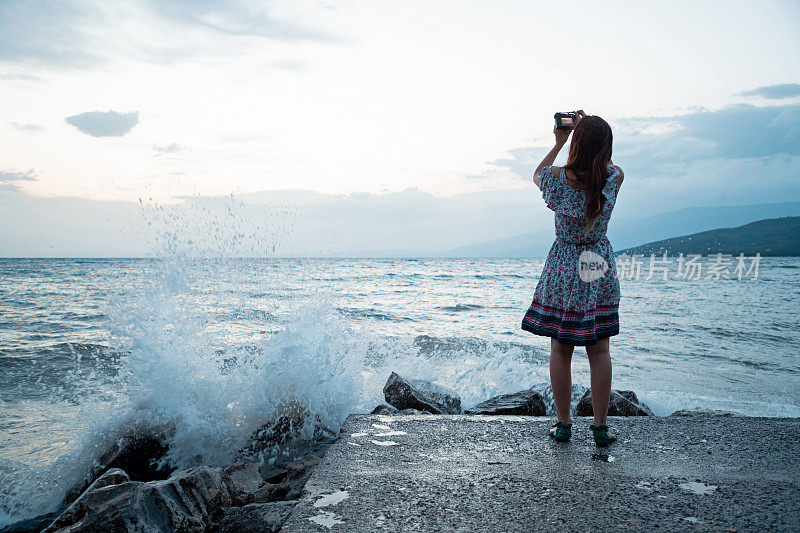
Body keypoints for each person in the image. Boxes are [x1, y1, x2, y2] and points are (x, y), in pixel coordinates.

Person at [520, 110, 624, 446]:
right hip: (596, 262)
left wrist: (560, 141)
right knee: (599, 349)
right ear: (605, 147)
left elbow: (537, 175)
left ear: (576, 144)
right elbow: (608, 166)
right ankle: (600, 428)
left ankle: (564, 425)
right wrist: (589, 131)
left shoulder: (556, 178)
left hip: (564, 265)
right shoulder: (613, 177)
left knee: (561, 347)